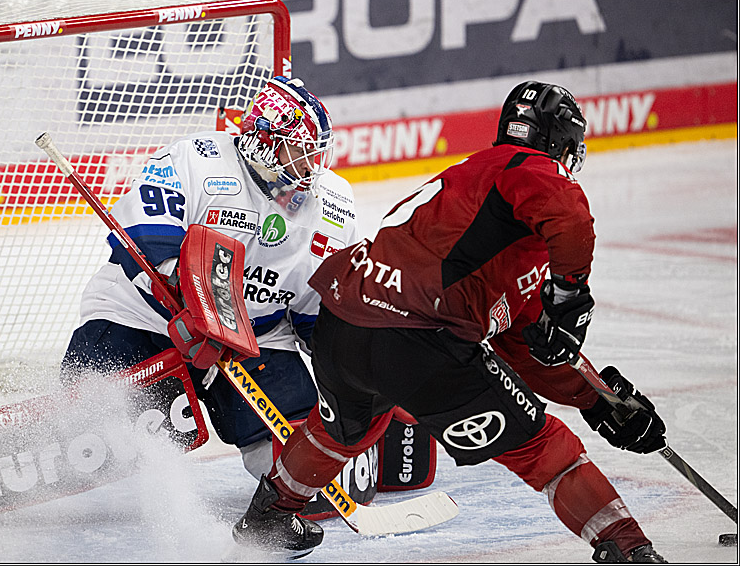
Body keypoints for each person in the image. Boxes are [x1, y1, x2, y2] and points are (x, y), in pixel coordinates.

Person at [231, 81, 669, 563]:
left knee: (345, 430)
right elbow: (570, 220)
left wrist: (596, 397)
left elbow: (524, 342)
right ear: (560, 144)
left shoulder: (472, 189)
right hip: (418, 336)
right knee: (542, 445)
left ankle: (269, 518)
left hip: (345, 321)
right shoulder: (530, 169)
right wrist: (570, 295)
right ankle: (629, 550)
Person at [60, 75, 359, 480]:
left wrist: (356, 367)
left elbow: (320, 315)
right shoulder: (197, 159)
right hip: (148, 317)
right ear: (265, 141)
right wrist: (191, 302)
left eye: (315, 154)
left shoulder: (333, 204)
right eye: (299, 151)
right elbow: (147, 234)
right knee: (84, 439)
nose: (310, 166)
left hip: (256, 338)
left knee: (311, 468)